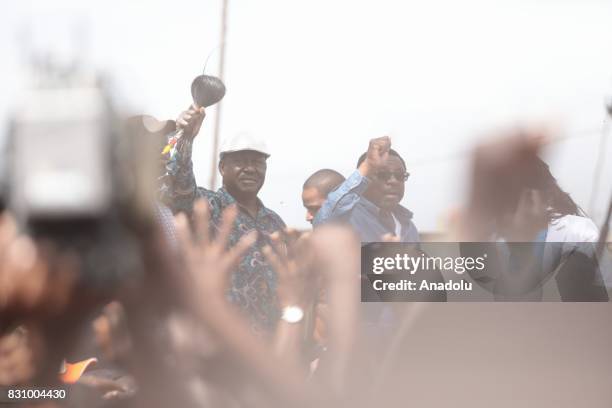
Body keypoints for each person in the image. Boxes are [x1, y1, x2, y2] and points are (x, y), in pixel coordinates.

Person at [159, 104, 286, 334]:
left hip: (267, 352)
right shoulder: (207, 206)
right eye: (240, 161)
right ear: (222, 168)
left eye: (257, 162)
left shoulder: (275, 223)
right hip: (220, 347)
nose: (250, 169)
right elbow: (179, 182)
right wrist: (186, 138)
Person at [314, 136, 418, 243]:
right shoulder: (347, 218)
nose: (393, 181)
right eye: (383, 174)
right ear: (366, 179)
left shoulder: (409, 227)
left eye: (399, 175)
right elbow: (323, 223)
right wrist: (368, 165)